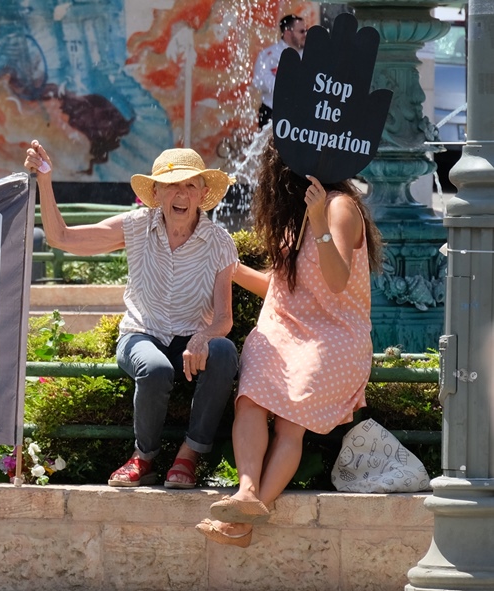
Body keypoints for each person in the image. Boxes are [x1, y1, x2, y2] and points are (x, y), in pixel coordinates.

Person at [196, 138, 383, 547]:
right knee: (250, 399)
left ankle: (243, 521)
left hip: (336, 338)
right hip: (288, 329)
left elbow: (335, 283)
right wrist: (231, 268)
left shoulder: (338, 208)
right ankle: (245, 493)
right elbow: (283, 290)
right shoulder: (291, 216)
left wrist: (318, 221)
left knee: (289, 421)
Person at [24, 141, 239, 489]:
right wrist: (45, 180)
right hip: (140, 334)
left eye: (189, 185)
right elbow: (60, 237)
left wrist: (203, 337)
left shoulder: (219, 242)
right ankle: (144, 457)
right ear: (156, 193)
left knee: (225, 352)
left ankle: (189, 454)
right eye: (171, 185)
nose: (180, 194)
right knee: (155, 369)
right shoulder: (137, 225)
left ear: (202, 193)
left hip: (191, 340)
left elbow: (223, 319)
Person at [254, 14, 307, 128]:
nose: (305, 35)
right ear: (288, 33)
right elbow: (259, 81)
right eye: (301, 31)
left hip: (300, 115)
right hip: (272, 113)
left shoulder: (310, 55)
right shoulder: (269, 54)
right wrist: (286, 87)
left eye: (306, 31)